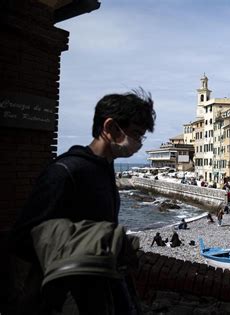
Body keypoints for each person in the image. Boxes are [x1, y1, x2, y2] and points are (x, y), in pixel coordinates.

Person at [9, 89, 156, 314]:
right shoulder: (64, 172)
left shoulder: (105, 169)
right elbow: (22, 238)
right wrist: (103, 240)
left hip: (104, 287)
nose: (139, 143)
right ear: (109, 128)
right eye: (136, 134)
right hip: (66, 297)